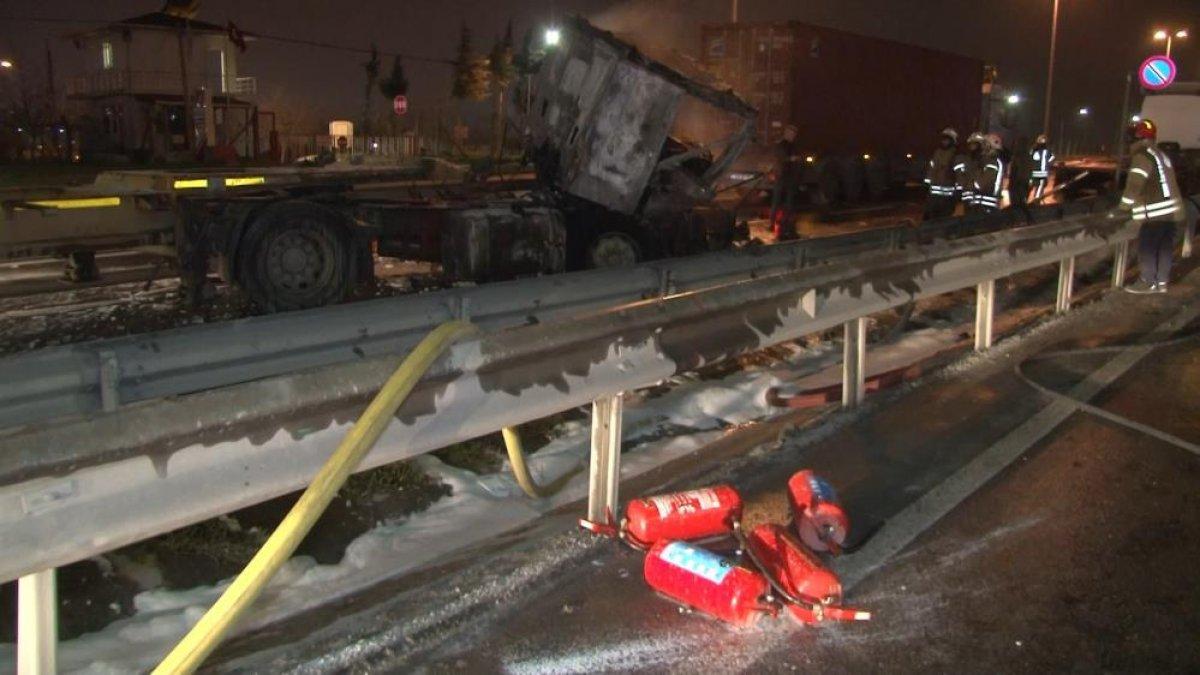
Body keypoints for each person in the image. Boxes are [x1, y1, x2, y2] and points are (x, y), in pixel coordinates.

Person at [1116, 119, 1186, 294]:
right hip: (1172, 213)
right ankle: (1162, 283)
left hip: (1155, 213)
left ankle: (1147, 282)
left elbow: (1134, 185)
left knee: (1147, 248)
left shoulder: (1142, 156)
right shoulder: (1161, 154)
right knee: (1164, 248)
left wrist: (1123, 208)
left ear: (1136, 138)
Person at [770, 124, 802, 240]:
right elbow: (779, 158)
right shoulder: (781, 145)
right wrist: (790, 159)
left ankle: (787, 225)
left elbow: (797, 159)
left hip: (791, 178)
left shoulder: (794, 146)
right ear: (786, 133)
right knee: (777, 201)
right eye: (791, 133)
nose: (792, 136)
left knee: (789, 203)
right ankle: (772, 223)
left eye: (794, 134)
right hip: (781, 177)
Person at [923, 127, 959, 220]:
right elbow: (931, 169)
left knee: (943, 219)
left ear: (952, 141)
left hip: (947, 196)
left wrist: (957, 192)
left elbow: (959, 175)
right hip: (933, 195)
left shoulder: (955, 155)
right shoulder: (937, 153)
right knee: (930, 217)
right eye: (943, 139)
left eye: (947, 140)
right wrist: (927, 184)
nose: (944, 142)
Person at [973, 133, 1006, 213]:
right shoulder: (996, 161)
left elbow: (983, 184)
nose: (982, 147)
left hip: (985, 203)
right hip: (989, 203)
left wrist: (975, 171)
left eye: (984, 144)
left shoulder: (991, 162)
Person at [955, 133, 983, 212]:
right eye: (971, 144)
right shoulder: (965, 159)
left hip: (979, 196)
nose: (972, 147)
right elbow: (960, 176)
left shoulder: (983, 160)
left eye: (975, 144)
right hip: (967, 195)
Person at [1009, 135, 1033, 209]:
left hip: (1018, 183)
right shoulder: (1028, 157)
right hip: (1024, 183)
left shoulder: (1018, 157)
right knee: (1021, 203)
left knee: (1017, 204)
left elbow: (1015, 171)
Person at [1030, 134, 1055, 201]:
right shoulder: (1047, 151)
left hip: (1033, 173)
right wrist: (1048, 164)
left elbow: (1030, 160)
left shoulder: (1032, 150)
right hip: (1042, 173)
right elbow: (1052, 158)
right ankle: (1036, 202)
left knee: (1034, 187)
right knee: (1040, 188)